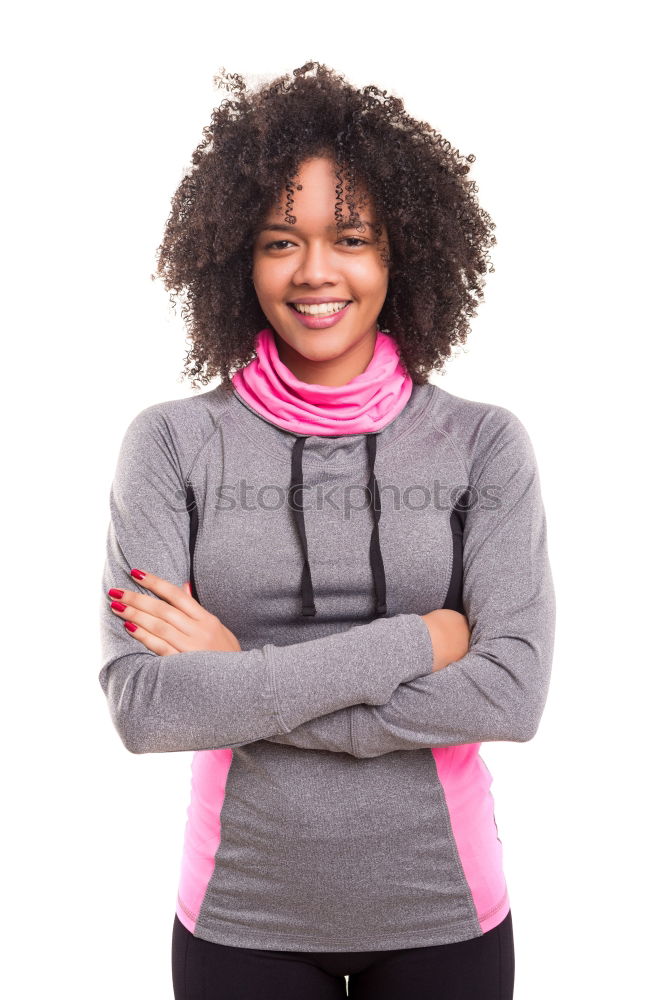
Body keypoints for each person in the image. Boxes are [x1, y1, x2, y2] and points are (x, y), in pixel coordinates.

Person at [98, 61, 555, 1000]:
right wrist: (419, 640)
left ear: (401, 254)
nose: (315, 273)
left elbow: (510, 695)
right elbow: (146, 709)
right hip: (239, 917)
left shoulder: (483, 445)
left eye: (350, 238)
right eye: (279, 241)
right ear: (237, 257)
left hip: (446, 914)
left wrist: (236, 673)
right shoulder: (174, 445)